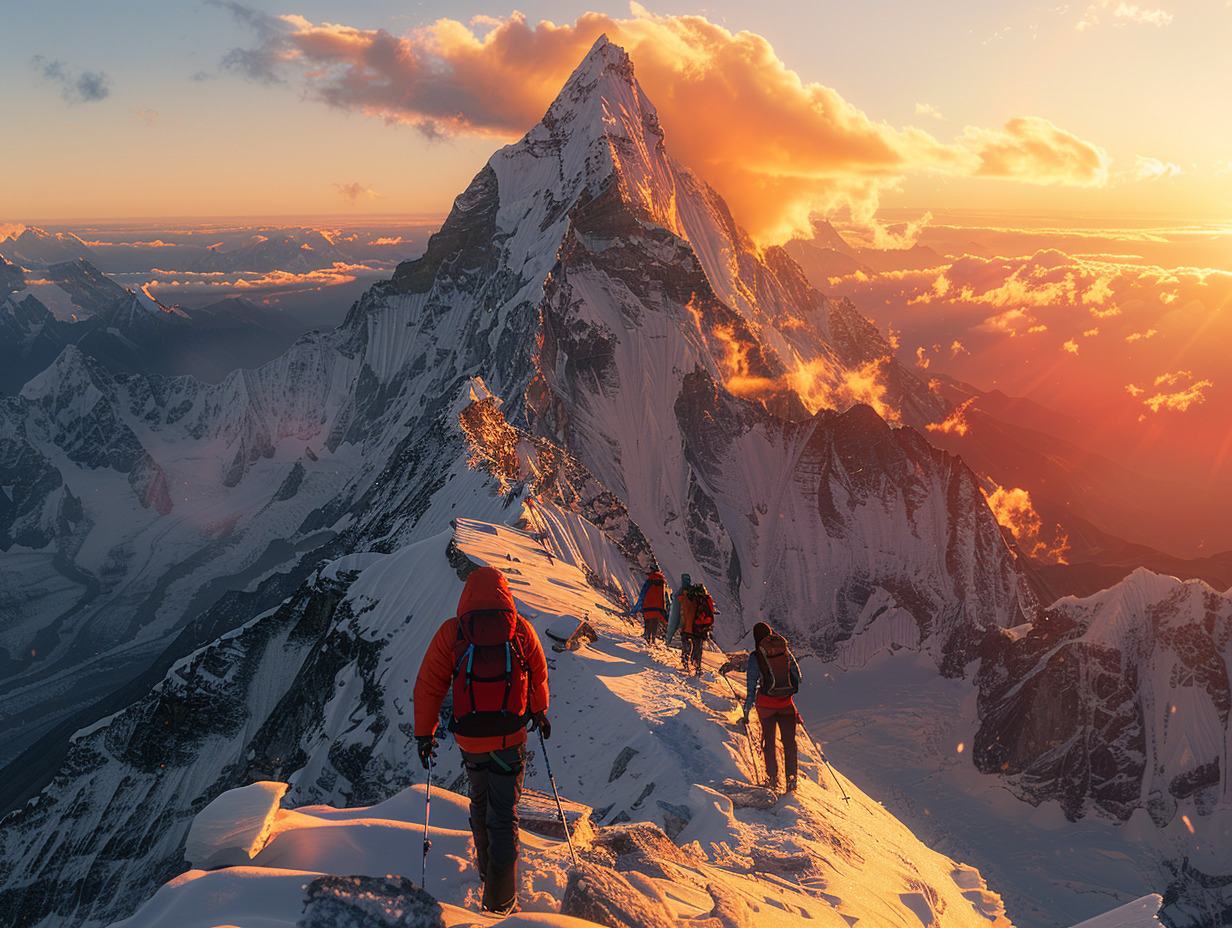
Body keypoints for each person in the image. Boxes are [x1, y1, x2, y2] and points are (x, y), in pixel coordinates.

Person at [414, 566, 550, 916]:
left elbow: (430, 685)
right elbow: (538, 672)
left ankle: (485, 871)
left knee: (480, 801)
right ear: (505, 593)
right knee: (504, 815)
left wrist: (424, 734)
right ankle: (500, 900)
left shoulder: (454, 632)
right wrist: (540, 711)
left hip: (470, 739)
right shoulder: (519, 629)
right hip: (510, 737)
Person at [742, 621, 802, 792]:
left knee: (769, 742)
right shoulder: (784, 652)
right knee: (789, 743)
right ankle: (791, 781)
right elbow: (798, 677)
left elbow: (751, 685)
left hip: (765, 705)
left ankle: (772, 779)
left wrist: (746, 711)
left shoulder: (756, 656)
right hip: (786, 704)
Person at [678, 582, 714, 676]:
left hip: (687, 627)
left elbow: (682, 612)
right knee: (697, 648)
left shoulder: (686, 599)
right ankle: (696, 667)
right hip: (699, 628)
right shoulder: (705, 600)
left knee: (686, 646)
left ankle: (686, 663)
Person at [633, 569, 669, 646]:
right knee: (654, 625)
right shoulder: (662, 584)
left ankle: (646, 639)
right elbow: (665, 598)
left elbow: (643, 594)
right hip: (657, 610)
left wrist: (637, 607)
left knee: (647, 624)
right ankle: (652, 640)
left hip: (647, 608)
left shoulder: (649, 582)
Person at [664, 572, 691, 646]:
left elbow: (674, 618)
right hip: (693, 624)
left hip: (682, 623)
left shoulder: (679, 594)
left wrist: (668, 637)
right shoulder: (693, 593)